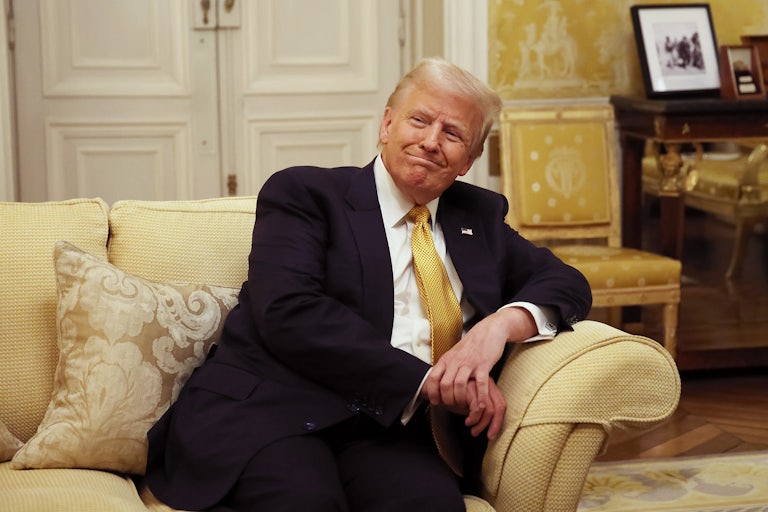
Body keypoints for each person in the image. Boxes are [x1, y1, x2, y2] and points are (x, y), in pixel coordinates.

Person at [145, 57, 592, 512]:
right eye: (419, 120)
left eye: (453, 134)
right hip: (271, 412)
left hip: (386, 433)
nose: (431, 142)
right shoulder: (306, 195)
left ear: (470, 160)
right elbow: (290, 312)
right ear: (387, 124)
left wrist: (496, 328)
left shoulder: (478, 218)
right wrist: (430, 382)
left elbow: (567, 282)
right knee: (305, 503)